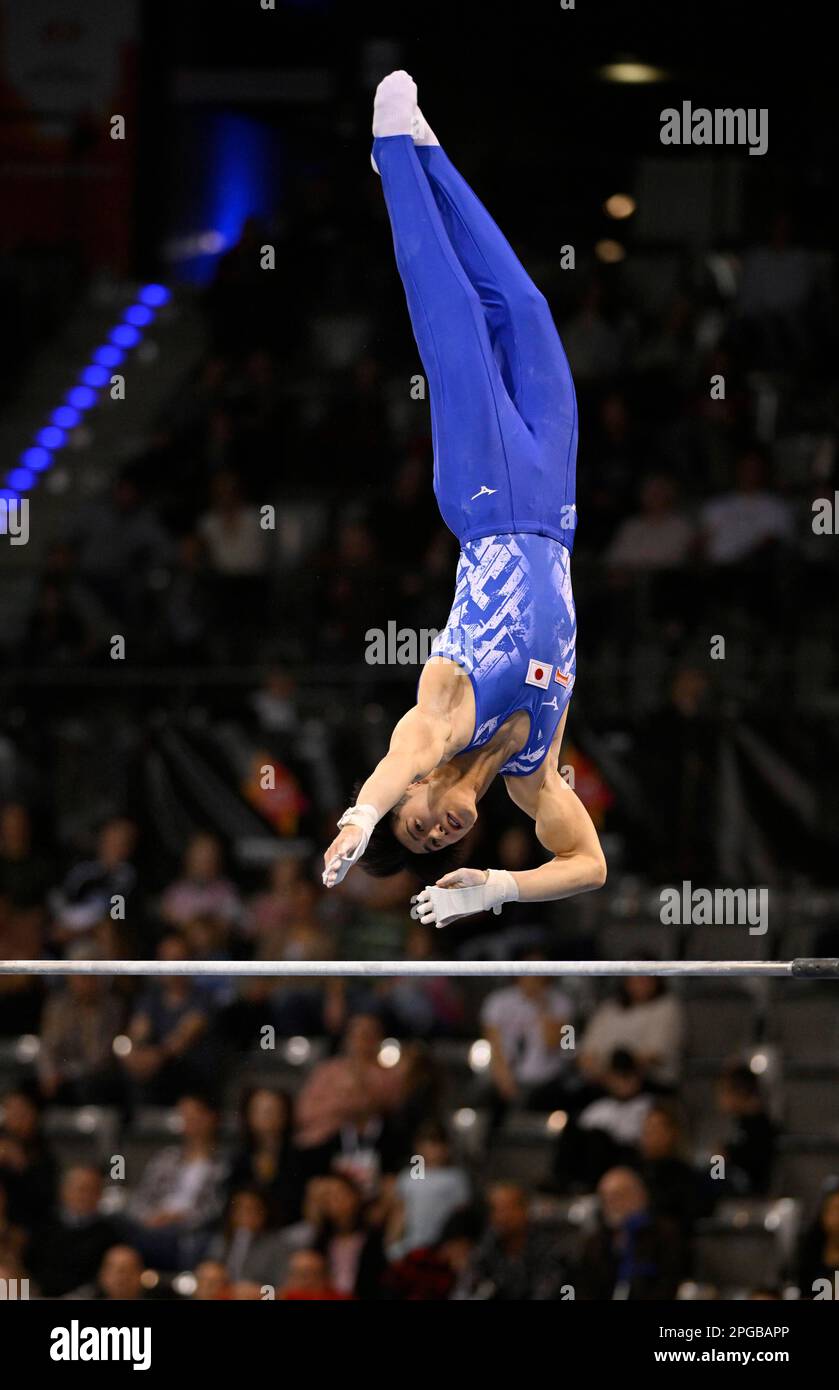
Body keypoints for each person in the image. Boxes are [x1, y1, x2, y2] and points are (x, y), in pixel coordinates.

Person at [321, 72, 606, 931]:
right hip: (553, 508)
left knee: (452, 320)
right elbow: (587, 866)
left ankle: (390, 157)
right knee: (521, 306)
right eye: (439, 843)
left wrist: (361, 819)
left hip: (485, 502)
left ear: (414, 789)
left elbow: (399, 751)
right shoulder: (535, 775)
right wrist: (500, 888)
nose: (439, 829)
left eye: (420, 820)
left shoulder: (442, 712)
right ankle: (431, 154)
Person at [480, 961, 575, 1120]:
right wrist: (503, 1077)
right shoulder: (498, 1001)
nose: (533, 980)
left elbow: (564, 1046)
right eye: (529, 973)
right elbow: (493, 1044)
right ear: (518, 973)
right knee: (484, 1099)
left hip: (549, 1079)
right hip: (508, 1074)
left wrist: (544, 1007)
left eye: (538, 975)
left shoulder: (562, 1003)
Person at [574, 1166, 687, 1300]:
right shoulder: (595, 1242)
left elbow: (670, 1283)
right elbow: (585, 1288)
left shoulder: (665, 1234)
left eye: (618, 1196)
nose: (611, 1204)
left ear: (640, 1196)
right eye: (605, 1198)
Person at [462, 1182, 568, 1300]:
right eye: (496, 1210)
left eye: (508, 1209)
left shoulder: (549, 1247)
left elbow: (547, 1291)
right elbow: (469, 1285)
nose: (502, 1217)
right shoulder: (489, 1243)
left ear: (525, 1209)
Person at [26, 1165, 121, 1298]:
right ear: (64, 1191)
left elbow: (105, 1278)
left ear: (100, 1195)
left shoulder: (109, 1233)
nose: (86, 1196)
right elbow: (27, 1264)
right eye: (81, 1189)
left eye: (93, 1190)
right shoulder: (42, 1225)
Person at [578, 972, 684, 1089]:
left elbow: (656, 1054)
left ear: (656, 981)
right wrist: (605, 1075)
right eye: (636, 979)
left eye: (646, 979)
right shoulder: (609, 1008)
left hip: (648, 1082)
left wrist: (622, 1073)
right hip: (603, 1081)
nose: (640, 984)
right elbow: (587, 1052)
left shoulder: (667, 1006)